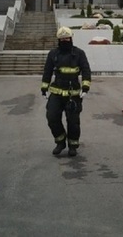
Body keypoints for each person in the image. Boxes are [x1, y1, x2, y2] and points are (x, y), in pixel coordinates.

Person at [41, 26, 91, 157]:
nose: (65, 40)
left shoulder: (79, 53)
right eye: (62, 39)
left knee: (73, 122)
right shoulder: (53, 54)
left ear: (71, 38)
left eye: (67, 38)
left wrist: (85, 87)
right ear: (58, 40)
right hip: (56, 93)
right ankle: (60, 142)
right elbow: (47, 71)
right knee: (52, 117)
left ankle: (73, 145)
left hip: (73, 94)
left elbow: (86, 70)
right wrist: (44, 88)